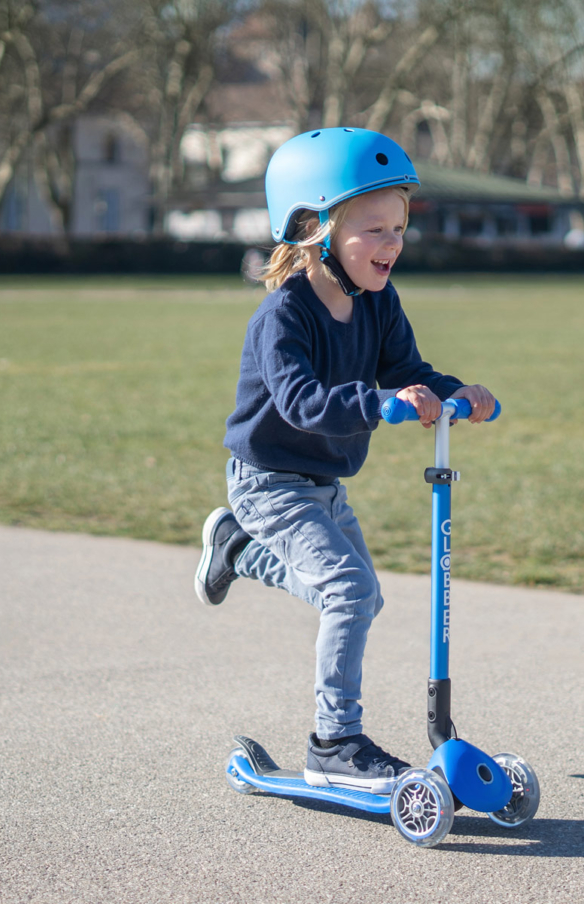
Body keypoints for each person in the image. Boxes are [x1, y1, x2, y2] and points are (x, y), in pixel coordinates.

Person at [194, 128, 496, 794]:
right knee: (349, 591)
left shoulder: (378, 305)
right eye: (373, 230)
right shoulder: (283, 316)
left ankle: (236, 553)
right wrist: (380, 403)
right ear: (313, 228)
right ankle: (333, 742)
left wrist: (456, 394)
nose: (392, 244)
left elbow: (408, 368)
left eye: (399, 228)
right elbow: (301, 402)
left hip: (323, 481)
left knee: (362, 595)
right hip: (268, 480)